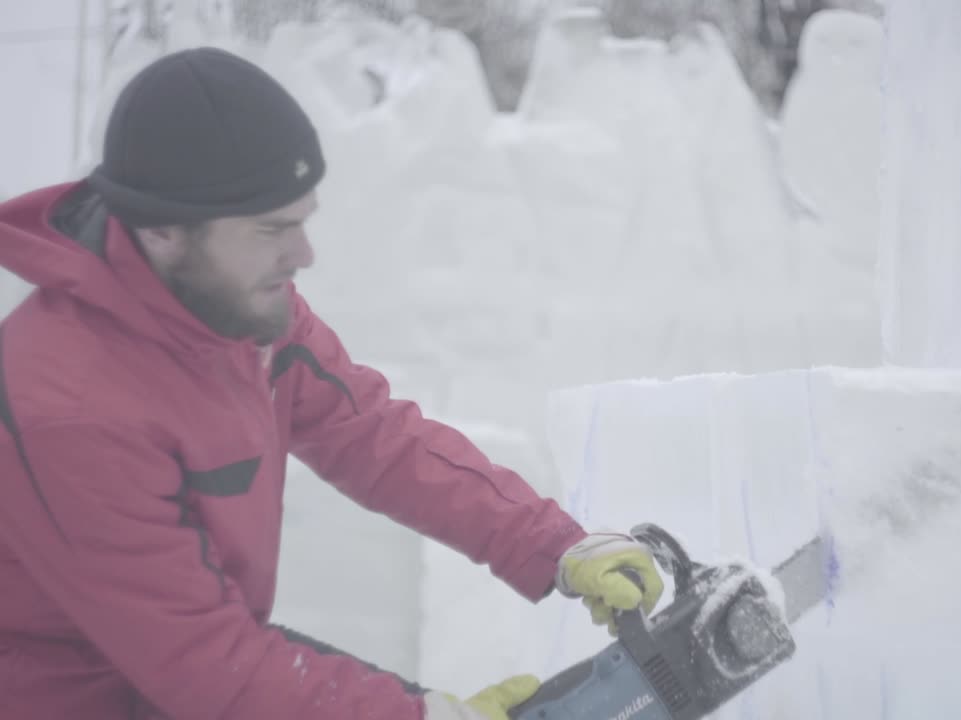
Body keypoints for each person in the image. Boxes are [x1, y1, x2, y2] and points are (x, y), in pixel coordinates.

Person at [0, 46, 664, 720]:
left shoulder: (234, 309)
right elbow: (205, 668)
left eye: (303, 220)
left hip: (176, 676)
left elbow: (370, 434)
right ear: (164, 231)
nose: (304, 255)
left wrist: (551, 544)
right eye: (272, 230)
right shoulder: (69, 407)